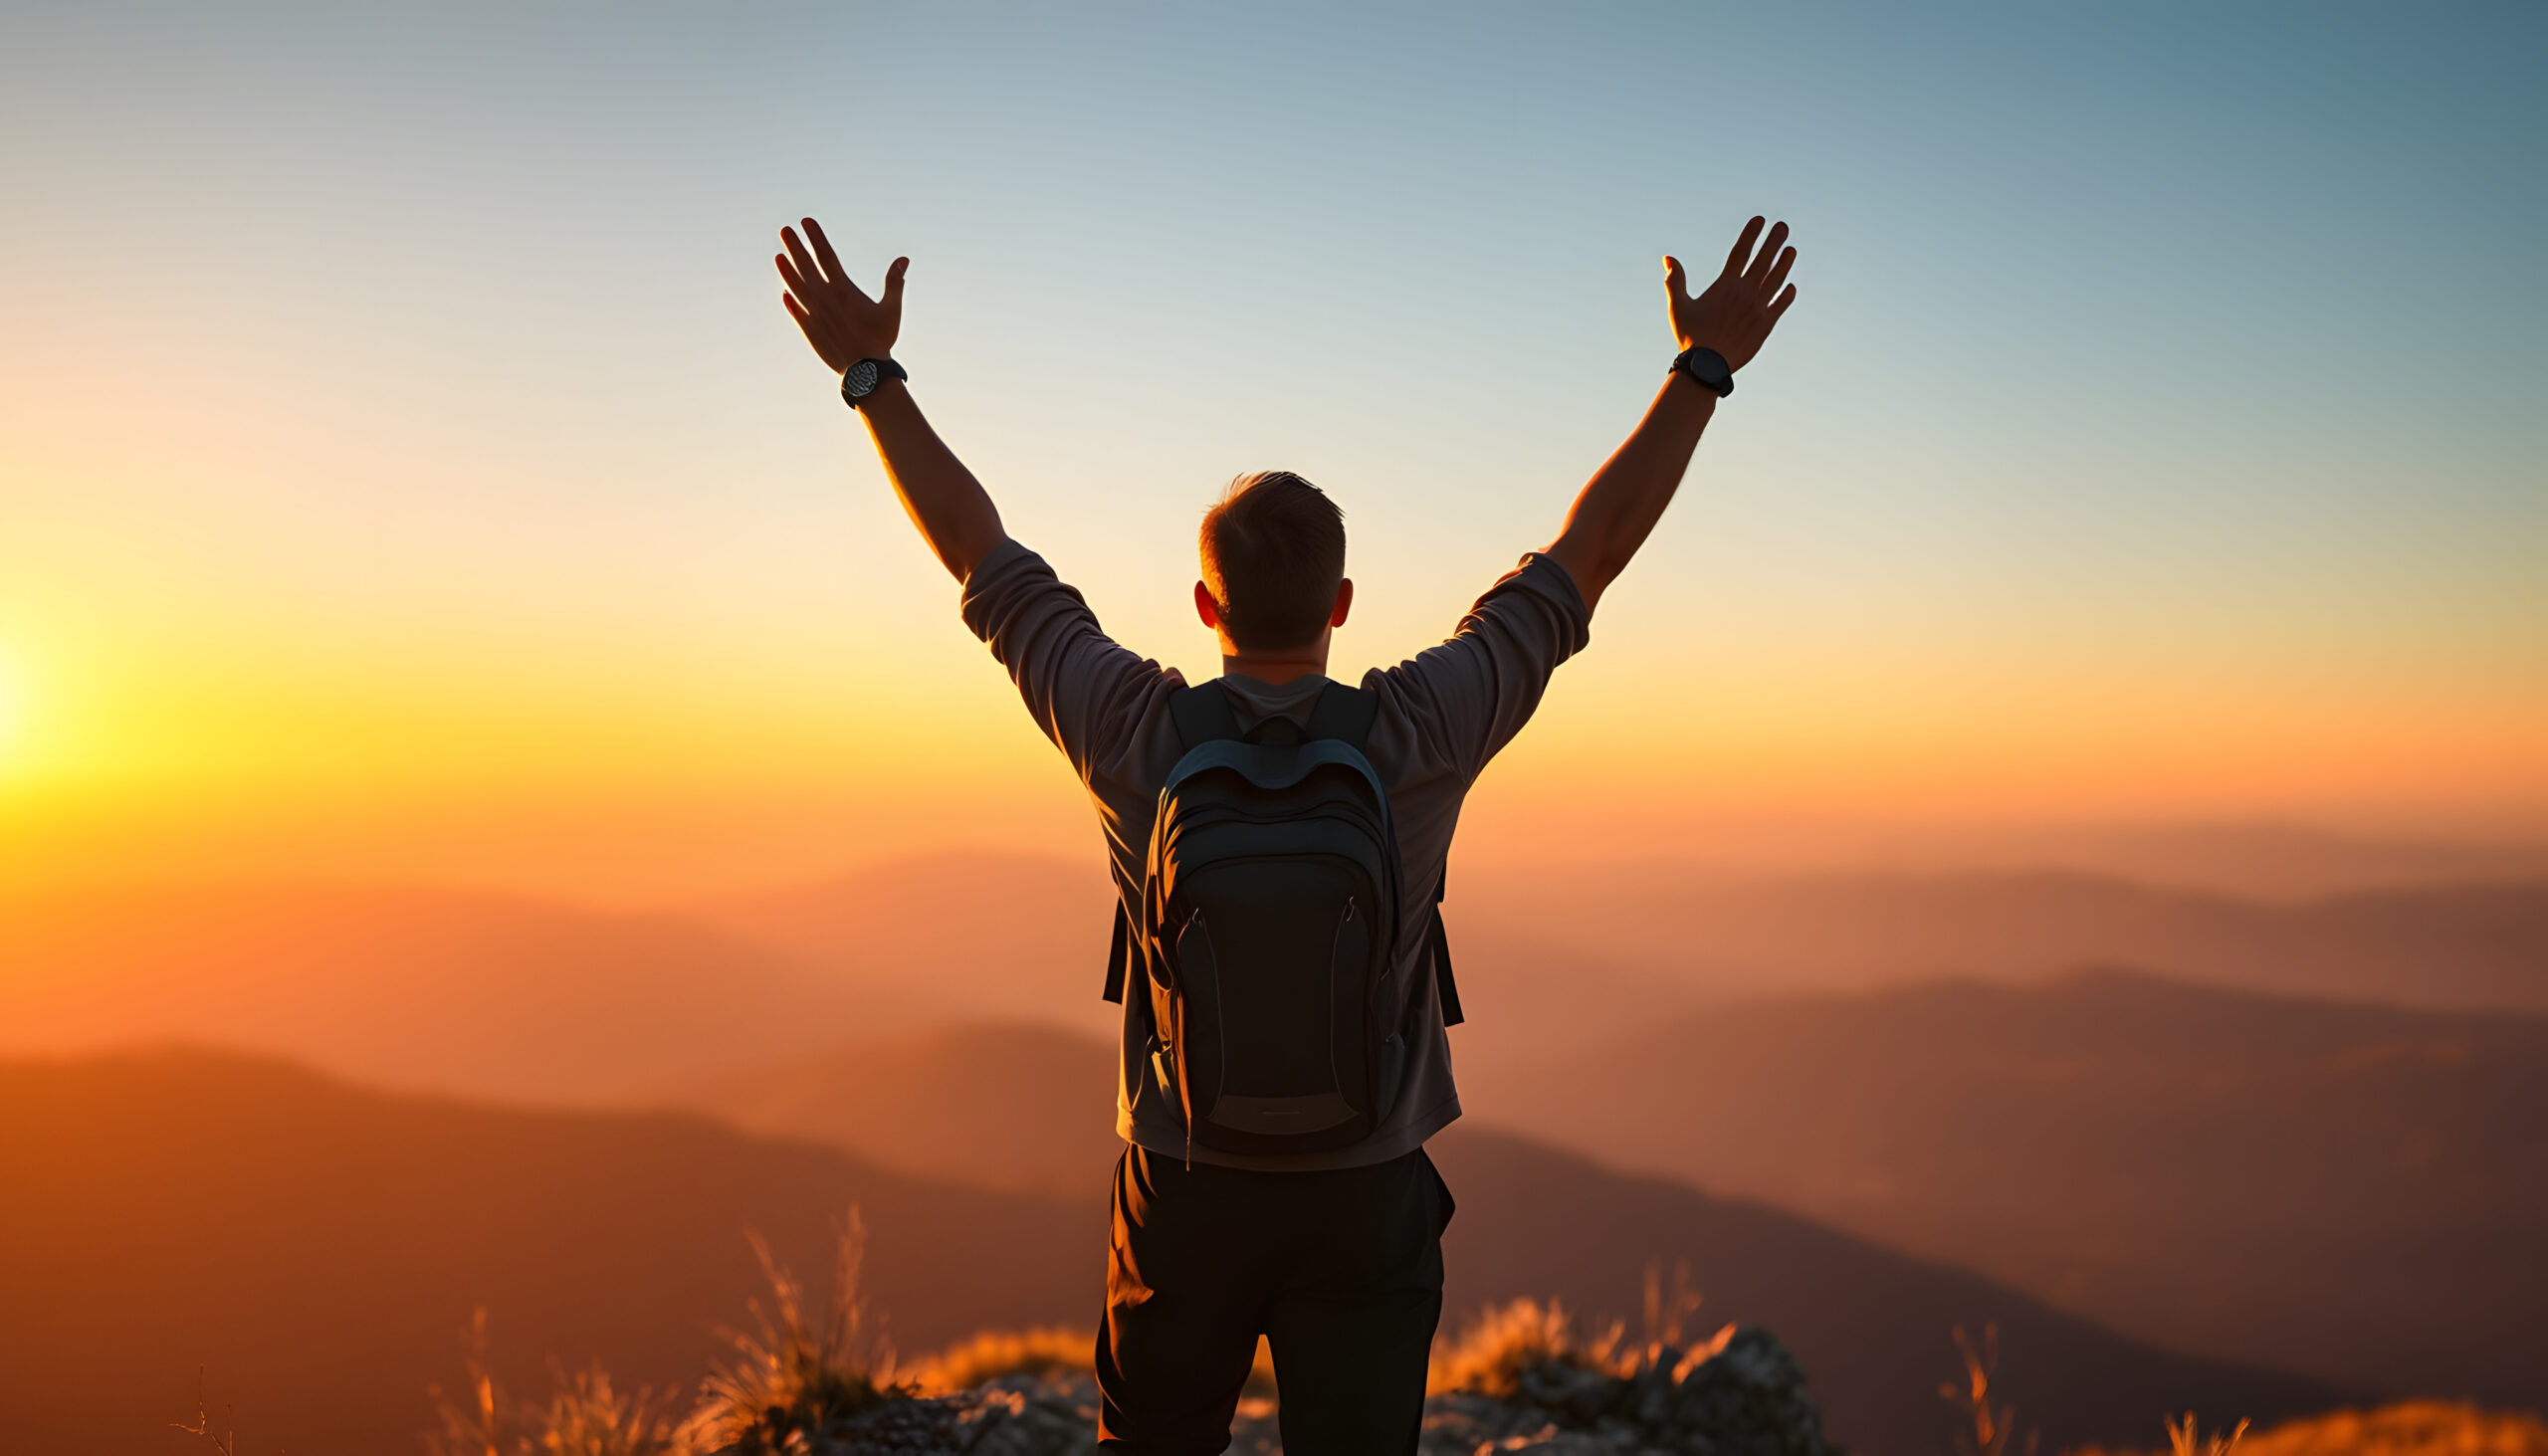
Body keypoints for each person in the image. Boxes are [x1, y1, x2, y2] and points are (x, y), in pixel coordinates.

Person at [774, 213, 1799, 1456]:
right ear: (1344, 604)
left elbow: (985, 561)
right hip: (1366, 1186)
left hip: (1183, 1174)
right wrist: (1698, 371)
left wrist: (872, 382)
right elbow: (1587, 556)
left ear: (1204, 604)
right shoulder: (1418, 729)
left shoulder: (1128, 727)